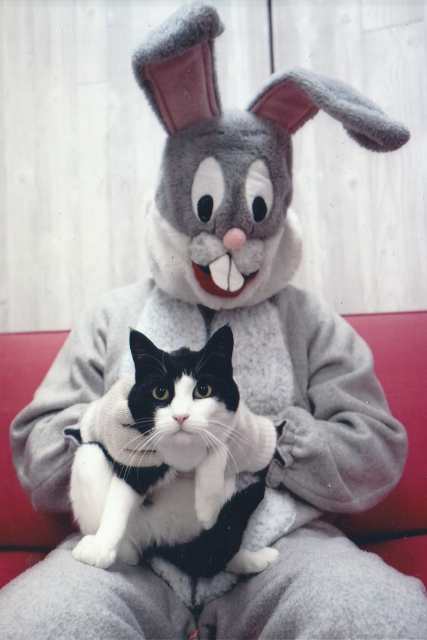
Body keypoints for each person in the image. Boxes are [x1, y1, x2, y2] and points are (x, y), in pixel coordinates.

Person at [1, 4, 426, 638]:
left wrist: (269, 442)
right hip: (128, 550)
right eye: (205, 208)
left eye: (255, 210)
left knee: (375, 618)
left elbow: (380, 450)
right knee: (43, 624)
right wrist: (103, 427)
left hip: (280, 548)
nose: (230, 238)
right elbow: (36, 450)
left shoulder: (310, 321)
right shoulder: (110, 316)